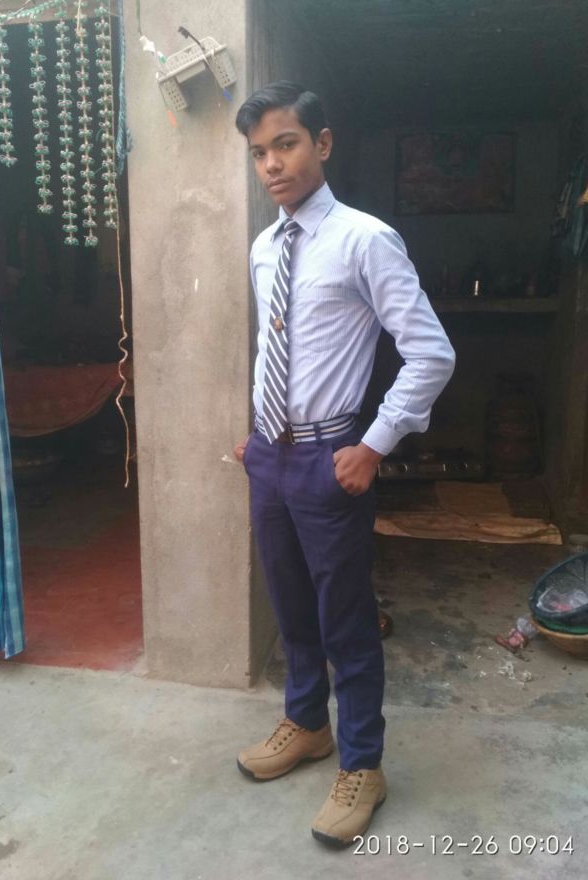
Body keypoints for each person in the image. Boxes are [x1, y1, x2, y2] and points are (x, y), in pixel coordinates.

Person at [232, 81, 455, 848]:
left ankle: (362, 763)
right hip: (270, 460)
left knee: (346, 621)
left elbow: (430, 352)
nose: (272, 164)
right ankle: (306, 724)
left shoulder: (365, 239)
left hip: (332, 461)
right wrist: (258, 433)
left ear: (322, 144)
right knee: (291, 607)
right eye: (258, 152)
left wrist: (374, 443)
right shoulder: (265, 248)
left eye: (286, 144)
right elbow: (278, 349)